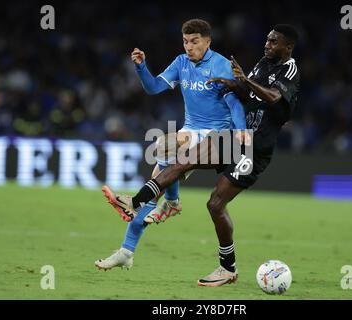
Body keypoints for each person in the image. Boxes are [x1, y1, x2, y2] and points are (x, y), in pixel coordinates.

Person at [101, 24, 301, 286]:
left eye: (273, 42)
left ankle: (227, 268)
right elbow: (242, 94)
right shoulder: (261, 62)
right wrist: (234, 84)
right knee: (177, 161)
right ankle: (136, 217)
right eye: (267, 39)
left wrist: (240, 91)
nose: (267, 45)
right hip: (226, 138)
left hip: (252, 147)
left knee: (215, 204)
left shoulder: (288, 70)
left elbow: (273, 97)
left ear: (288, 47)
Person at [94, 19, 247, 271]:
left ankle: (172, 203)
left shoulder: (222, 65)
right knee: (156, 186)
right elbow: (153, 88)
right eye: (186, 41)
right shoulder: (181, 62)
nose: (189, 47)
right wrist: (141, 67)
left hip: (217, 135)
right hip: (191, 129)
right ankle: (126, 251)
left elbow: (234, 103)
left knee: (163, 148)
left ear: (208, 41)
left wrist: (241, 130)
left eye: (195, 41)